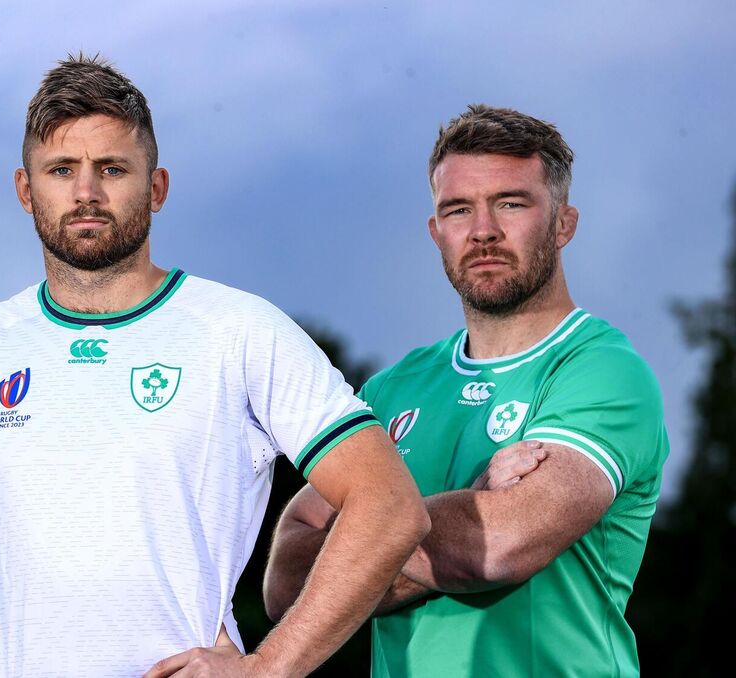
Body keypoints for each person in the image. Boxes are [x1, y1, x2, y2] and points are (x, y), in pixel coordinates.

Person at [0, 54, 429, 677]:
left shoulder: (240, 331)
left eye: (112, 168)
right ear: (25, 190)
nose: (86, 193)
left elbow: (388, 503)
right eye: (62, 170)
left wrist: (268, 668)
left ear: (156, 187)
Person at [264, 104, 670, 676]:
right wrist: (471, 501)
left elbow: (501, 545)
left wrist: (369, 535)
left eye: (511, 203)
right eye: (459, 209)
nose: (483, 231)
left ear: (564, 223)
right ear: (436, 232)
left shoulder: (601, 371)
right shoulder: (392, 390)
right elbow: (286, 583)